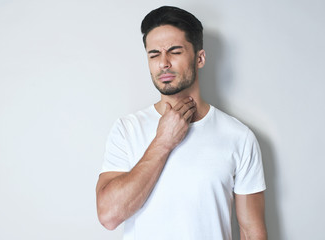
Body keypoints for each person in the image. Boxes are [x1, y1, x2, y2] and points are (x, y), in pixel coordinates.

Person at [96, 6, 267, 240]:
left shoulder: (239, 136)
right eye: (154, 54)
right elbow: (108, 215)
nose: (163, 63)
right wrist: (163, 142)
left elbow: (251, 232)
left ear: (200, 58)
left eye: (174, 52)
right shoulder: (127, 129)